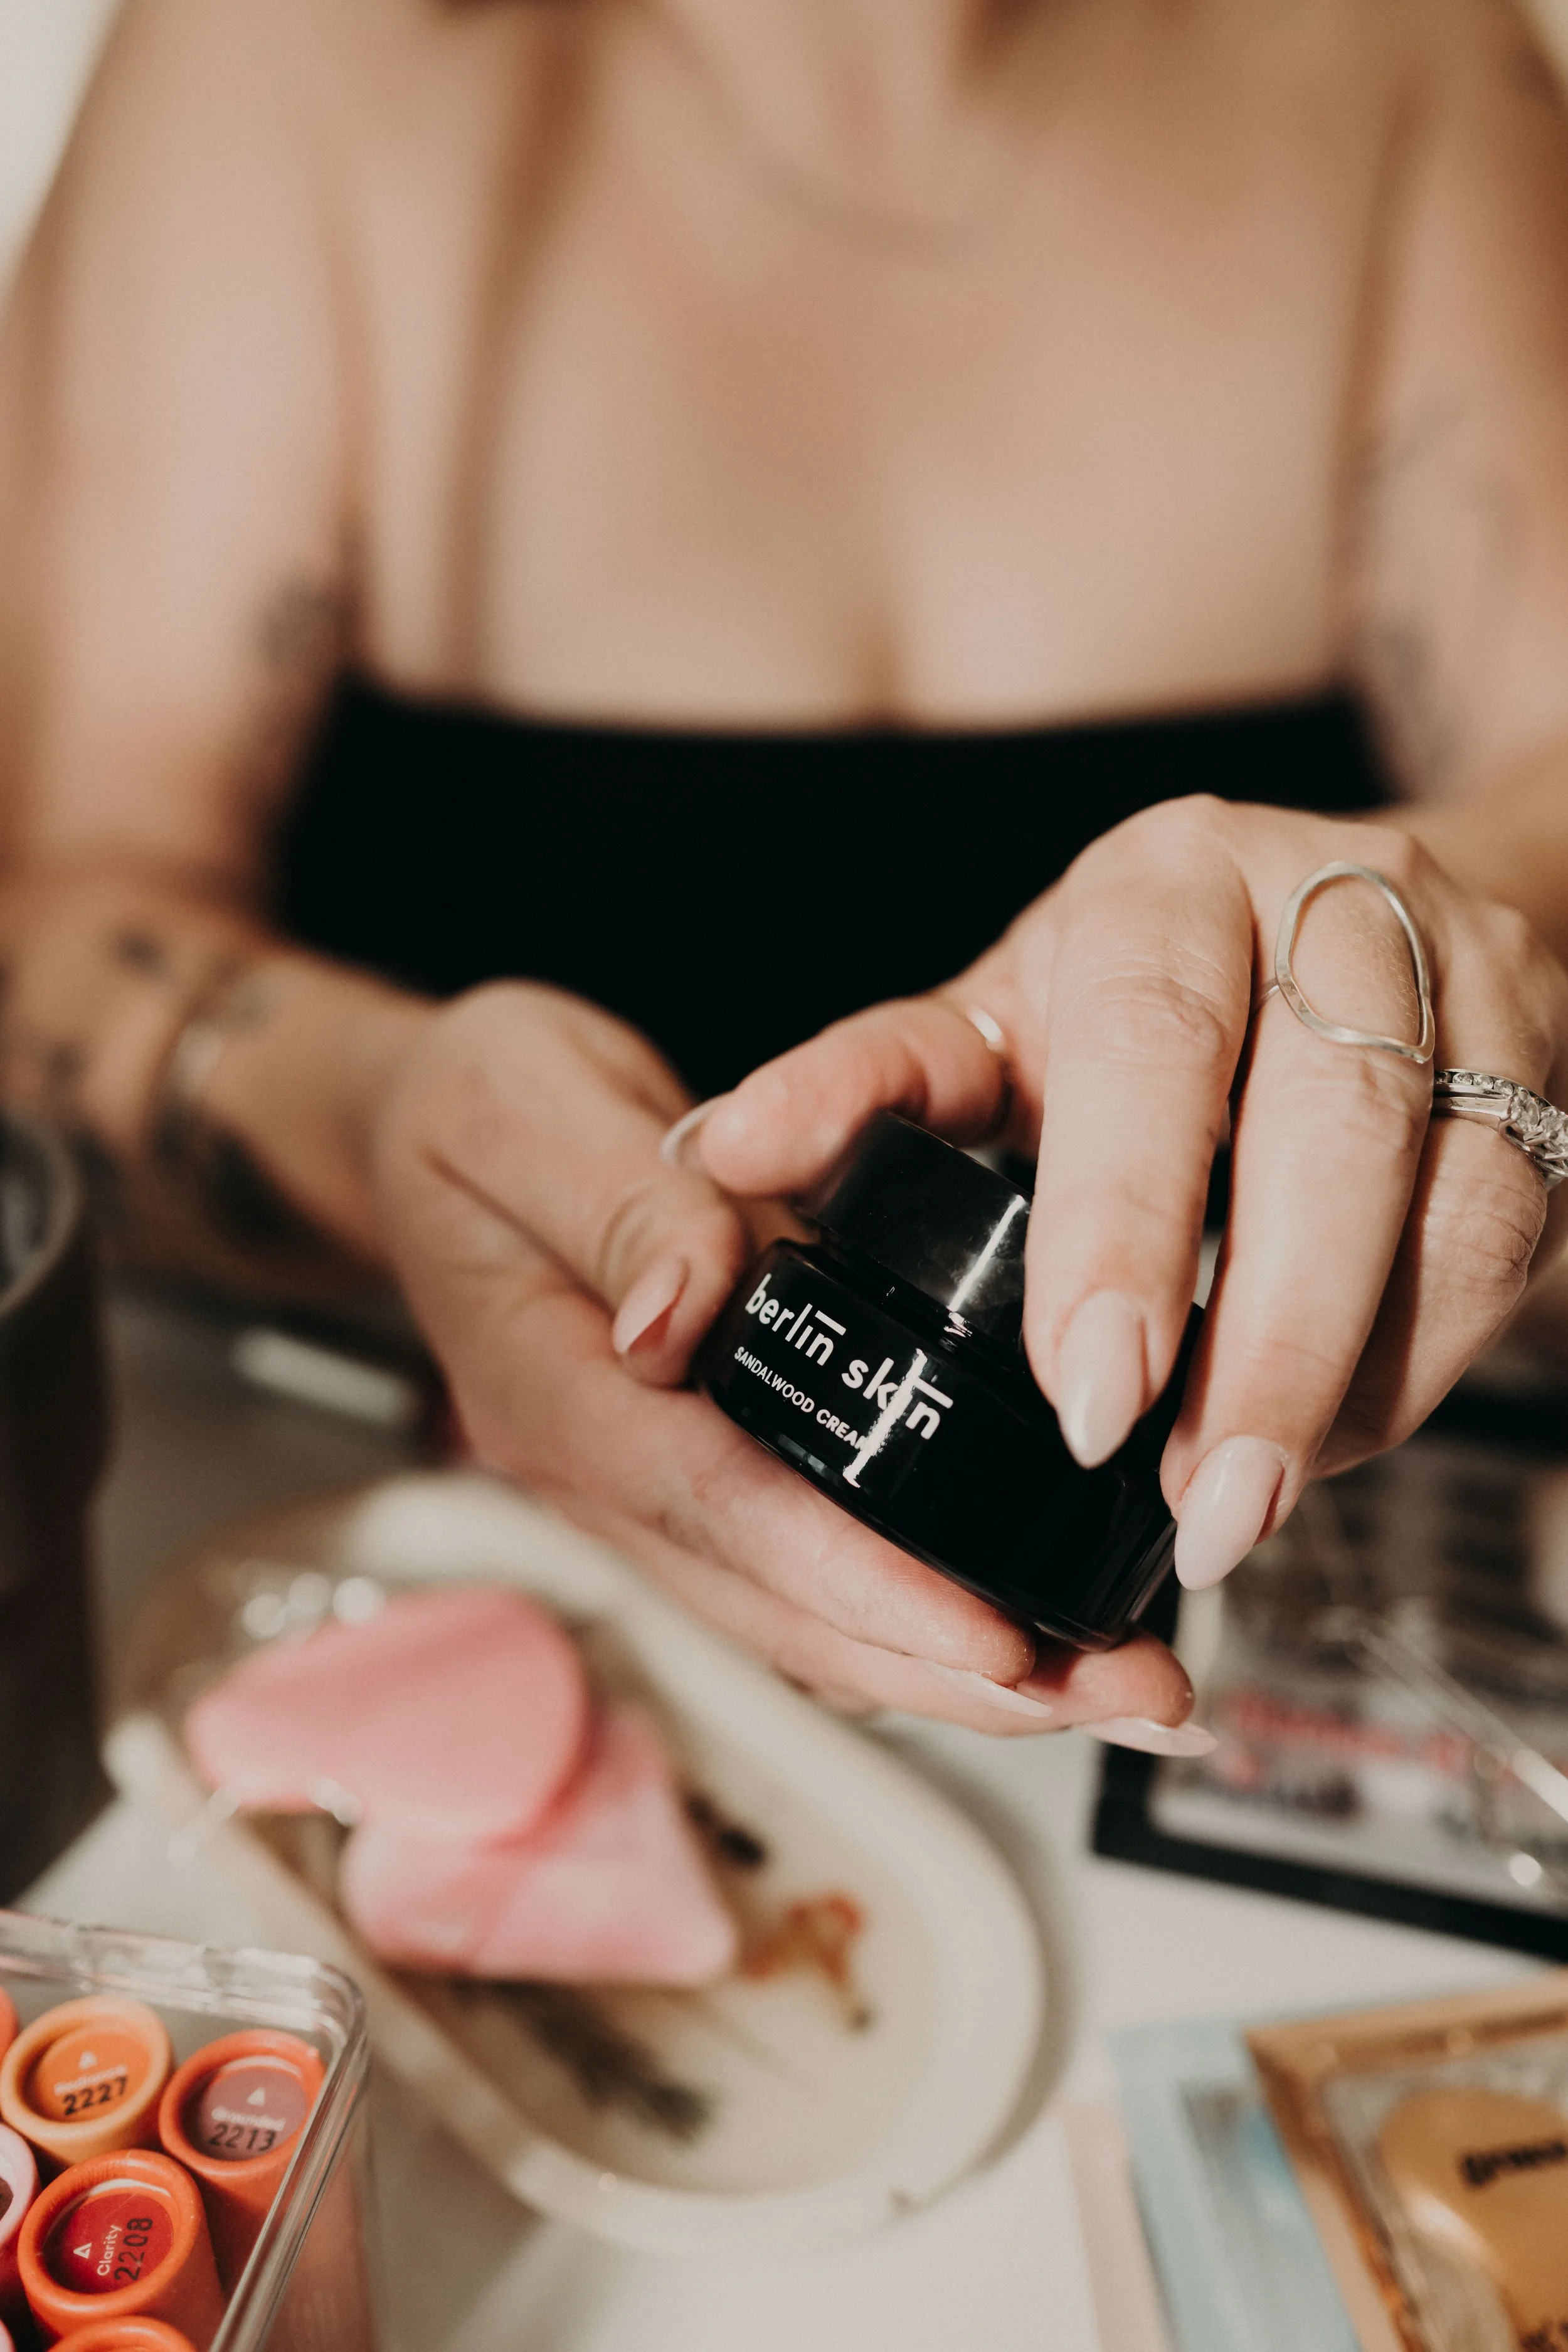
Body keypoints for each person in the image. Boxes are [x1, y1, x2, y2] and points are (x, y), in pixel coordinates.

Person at [3, 0, 1568, 1749]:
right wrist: (382, 1118)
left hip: (1231, 1656)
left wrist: (1437, 920)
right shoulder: (271, 61)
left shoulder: (1405, 54)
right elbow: (56, 943)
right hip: (429, 1632)